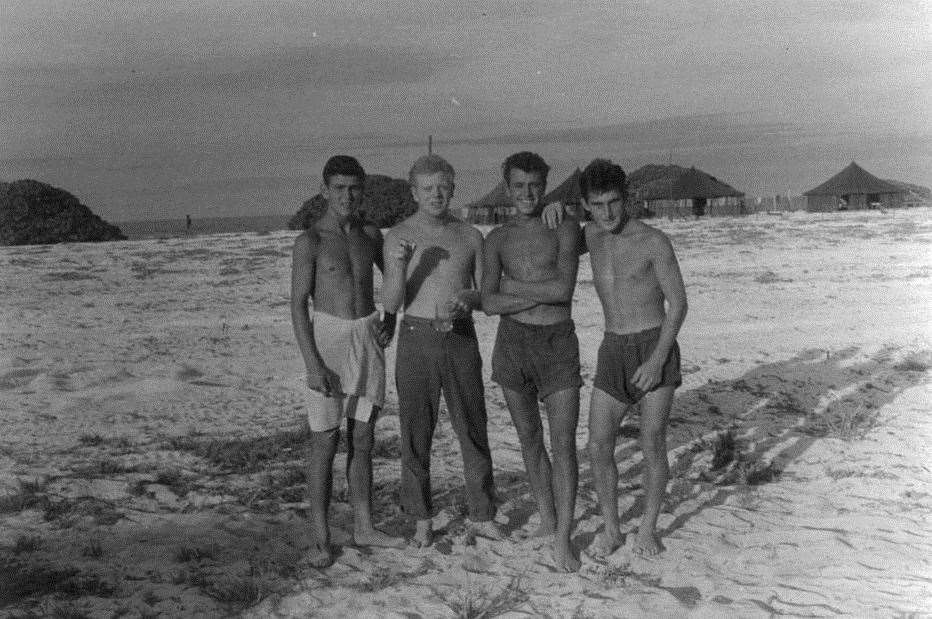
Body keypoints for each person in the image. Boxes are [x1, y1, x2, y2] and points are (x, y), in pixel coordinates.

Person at [381, 154, 501, 547]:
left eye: (443, 187)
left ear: (454, 188)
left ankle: (482, 513)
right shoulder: (397, 235)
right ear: (414, 191)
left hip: (460, 336)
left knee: (472, 424)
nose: (436, 195)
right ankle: (421, 518)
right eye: (428, 188)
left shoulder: (470, 236)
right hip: (416, 336)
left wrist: (468, 297)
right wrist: (400, 267)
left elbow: (485, 294)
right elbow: (392, 303)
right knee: (416, 431)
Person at [290, 155, 404, 568]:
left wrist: (389, 319)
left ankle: (364, 525)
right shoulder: (311, 241)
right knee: (325, 439)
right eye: (338, 188)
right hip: (329, 338)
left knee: (363, 437)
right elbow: (298, 305)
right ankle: (320, 537)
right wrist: (312, 362)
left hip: (366, 334)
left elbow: (393, 281)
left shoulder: (371, 235)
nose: (347, 196)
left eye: (354, 188)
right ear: (324, 190)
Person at [480, 152, 583, 571]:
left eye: (535, 186)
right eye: (519, 186)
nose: (527, 194)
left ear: (546, 185)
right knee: (529, 440)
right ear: (507, 188)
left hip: (557, 343)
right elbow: (487, 302)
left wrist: (512, 288)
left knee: (563, 445)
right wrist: (535, 288)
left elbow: (564, 290)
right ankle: (546, 517)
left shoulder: (564, 226)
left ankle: (563, 538)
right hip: (513, 344)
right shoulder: (497, 240)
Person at [580, 158, 687, 557]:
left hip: (652, 343)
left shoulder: (653, 241)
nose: (607, 213)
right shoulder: (589, 236)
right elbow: (549, 236)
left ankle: (648, 529)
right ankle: (612, 530)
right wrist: (551, 211)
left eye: (613, 202)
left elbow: (678, 305)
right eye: (598, 204)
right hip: (613, 347)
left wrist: (658, 359)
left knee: (652, 441)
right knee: (597, 444)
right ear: (586, 205)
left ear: (626, 199)